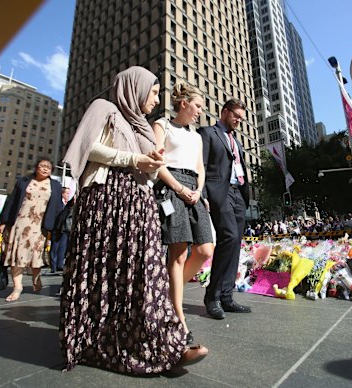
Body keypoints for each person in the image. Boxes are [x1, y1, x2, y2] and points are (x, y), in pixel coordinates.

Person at [59, 66, 207, 375]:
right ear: (135, 87)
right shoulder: (105, 108)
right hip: (106, 203)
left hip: (138, 206)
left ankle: (164, 344)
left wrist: (153, 163)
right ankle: (100, 341)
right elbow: (90, 148)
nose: (156, 99)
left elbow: (149, 172)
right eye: (153, 92)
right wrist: (134, 159)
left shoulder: (141, 126)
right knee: (106, 277)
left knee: (142, 279)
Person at [152, 82, 214, 345]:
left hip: (194, 190)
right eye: (198, 105)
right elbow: (157, 162)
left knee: (205, 250)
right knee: (177, 255)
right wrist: (177, 188)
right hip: (170, 187)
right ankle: (178, 317)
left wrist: (198, 190)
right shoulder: (162, 125)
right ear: (184, 103)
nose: (200, 111)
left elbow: (200, 167)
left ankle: (167, 292)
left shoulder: (197, 136)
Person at [198, 99, 251, 320]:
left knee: (235, 244)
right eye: (236, 116)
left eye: (241, 118)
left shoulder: (236, 141)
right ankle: (212, 296)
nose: (238, 121)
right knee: (228, 237)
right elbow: (200, 163)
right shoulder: (208, 133)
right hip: (219, 192)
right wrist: (203, 195)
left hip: (238, 193)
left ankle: (227, 297)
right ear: (224, 112)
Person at [0, 158, 63, 301]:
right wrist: (4, 221)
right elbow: (12, 201)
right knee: (17, 255)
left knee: (36, 254)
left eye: (48, 167)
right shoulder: (23, 181)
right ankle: (17, 287)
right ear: (36, 168)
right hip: (20, 221)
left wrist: (57, 227)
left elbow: (58, 207)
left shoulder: (56, 185)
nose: (45, 169)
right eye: (42, 166)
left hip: (40, 225)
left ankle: (36, 277)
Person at [49, 187, 71, 273]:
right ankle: (53, 266)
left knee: (62, 248)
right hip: (57, 228)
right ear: (62, 194)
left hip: (65, 229)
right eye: (67, 193)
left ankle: (60, 265)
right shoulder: (58, 204)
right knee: (54, 247)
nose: (68, 195)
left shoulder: (68, 205)